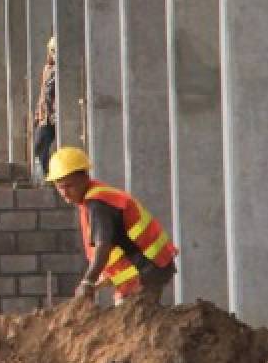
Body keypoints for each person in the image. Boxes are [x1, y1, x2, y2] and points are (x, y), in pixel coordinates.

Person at [46, 146, 178, 304]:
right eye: (59, 187)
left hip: (146, 269)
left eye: (69, 185)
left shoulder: (98, 204)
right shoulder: (94, 199)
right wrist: (101, 278)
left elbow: (103, 246)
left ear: (84, 178)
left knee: (132, 319)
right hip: (145, 268)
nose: (64, 193)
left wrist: (87, 281)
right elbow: (118, 243)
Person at [33, 36, 57, 178]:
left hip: (57, 114)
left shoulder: (62, 71)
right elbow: (43, 93)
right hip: (46, 116)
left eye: (56, 51)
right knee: (39, 144)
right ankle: (49, 175)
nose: (55, 54)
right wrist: (38, 114)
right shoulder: (48, 69)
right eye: (52, 51)